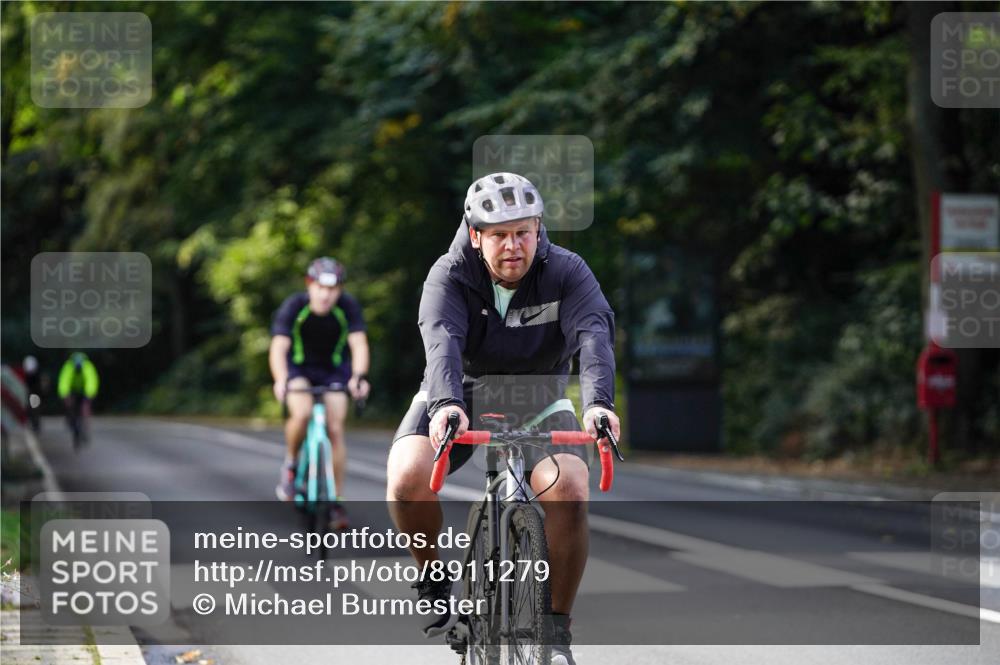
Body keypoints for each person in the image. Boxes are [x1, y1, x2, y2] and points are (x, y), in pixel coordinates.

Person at [386, 172, 621, 665]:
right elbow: (441, 340)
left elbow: (594, 334)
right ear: (475, 235)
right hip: (461, 391)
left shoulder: (568, 271)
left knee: (570, 488)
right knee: (407, 478)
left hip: (541, 394)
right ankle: (432, 579)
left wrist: (599, 403)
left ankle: (555, 631)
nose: (513, 245)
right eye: (498, 234)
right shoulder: (449, 273)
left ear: (539, 229)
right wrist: (446, 403)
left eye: (523, 232)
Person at [270, 257, 370, 528]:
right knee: (301, 414)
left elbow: (358, 344)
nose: (326, 295)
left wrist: (359, 377)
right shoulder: (295, 306)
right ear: (309, 285)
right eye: (321, 288)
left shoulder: (347, 307)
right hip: (299, 369)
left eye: (333, 289)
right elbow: (279, 347)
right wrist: (281, 380)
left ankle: (336, 502)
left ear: (339, 290)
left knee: (335, 428)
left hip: (334, 371)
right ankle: (291, 466)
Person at [57, 352, 99, 444]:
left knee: (85, 407)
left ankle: (86, 427)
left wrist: (89, 396)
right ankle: (70, 418)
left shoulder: (88, 366)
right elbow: (63, 382)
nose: (78, 371)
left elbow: (91, 381)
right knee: (69, 404)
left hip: (85, 390)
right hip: (73, 389)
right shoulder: (68, 367)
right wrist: (65, 395)